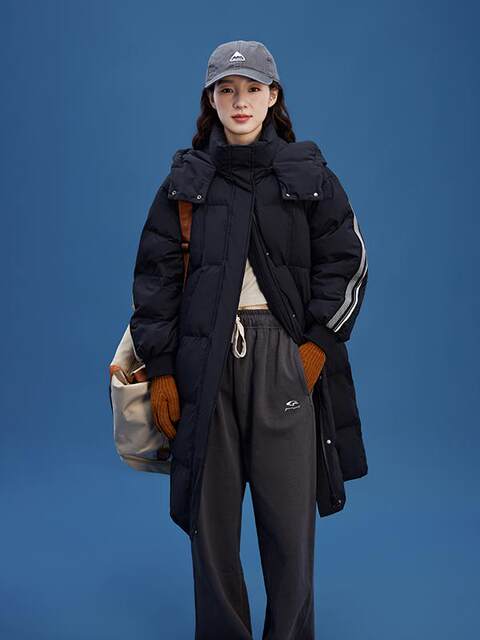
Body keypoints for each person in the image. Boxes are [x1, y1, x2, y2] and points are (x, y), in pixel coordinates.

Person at [129, 40, 369, 640]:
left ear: (273, 97)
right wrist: (162, 368)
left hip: (284, 360)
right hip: (203, 361)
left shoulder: (309, 175)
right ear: (211, 100)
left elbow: (347, 262)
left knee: (289, 525)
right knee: (210, 527)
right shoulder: (185, 181)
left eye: (253, 89)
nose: (240, 101)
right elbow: (155, 280)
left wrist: (314, 347)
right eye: (227, 90)